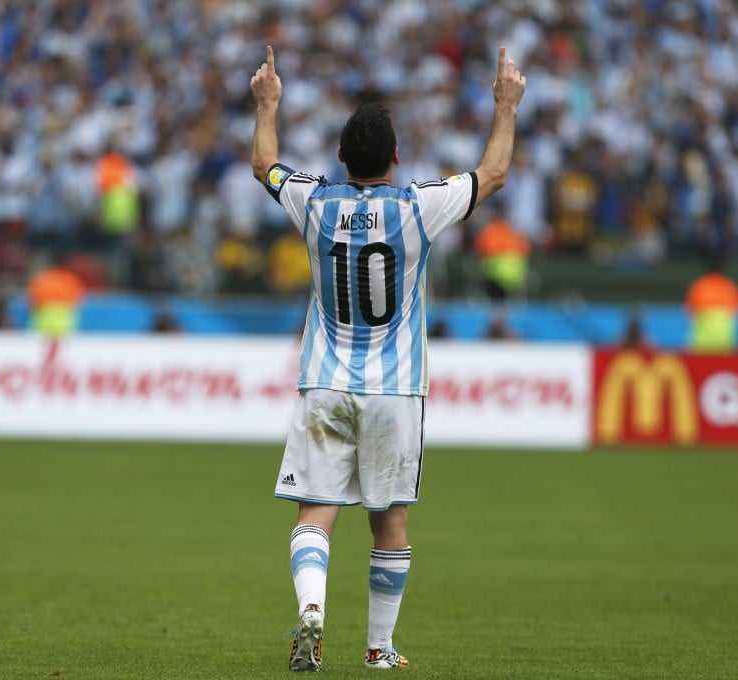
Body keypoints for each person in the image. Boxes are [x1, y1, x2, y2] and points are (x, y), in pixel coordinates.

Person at [250, 45, 525, 671]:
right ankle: (378, 648)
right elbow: (494, 174)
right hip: (394, 390)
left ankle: (312, 614)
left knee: (315, 514)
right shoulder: (417, 207)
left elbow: (264, 163)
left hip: (323, 382)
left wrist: (268, 104)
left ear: (341, 158)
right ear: (396, 158)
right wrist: (505, 106)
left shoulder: (314, 202)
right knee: (389, 522)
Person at [684, 255, 738, 354]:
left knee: (700, 366)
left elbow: (689, 312)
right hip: (725, 337)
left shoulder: (699, 286)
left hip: (702, 338)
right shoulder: (730, 286)